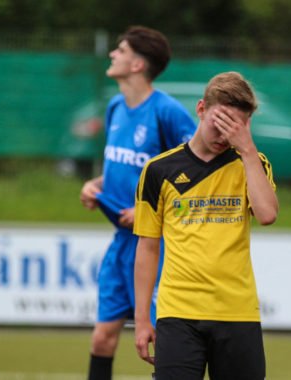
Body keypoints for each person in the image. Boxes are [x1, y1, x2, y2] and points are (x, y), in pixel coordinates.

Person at [132, 71, 278, 379]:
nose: (224, 135)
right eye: (219, 122)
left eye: (234, 126)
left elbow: (267, 215)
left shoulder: (252, 163)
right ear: (201, 109)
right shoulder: (158, 171)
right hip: (178, 315)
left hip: (237, 313)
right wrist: (142, 318)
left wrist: (248, 149)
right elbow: (147, 247)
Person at [79, 26, 197, 380]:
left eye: (121, 50)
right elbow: (124, 167)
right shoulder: (116, 106)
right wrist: (95, 185)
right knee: (102, 340)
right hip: (120, 244)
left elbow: (196, 173)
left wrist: (152, 213)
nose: (113, 54)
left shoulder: (168, 112)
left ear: (137, 64)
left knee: (164, 341)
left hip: (155, 245)